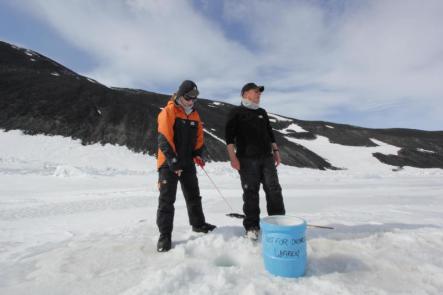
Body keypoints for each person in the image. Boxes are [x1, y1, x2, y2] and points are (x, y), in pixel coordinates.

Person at [156, 80, 216, 252]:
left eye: (194, 99)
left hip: (187, 162)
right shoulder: (168, 112)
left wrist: (197, 153)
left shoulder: (194, 115)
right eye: (189, 98)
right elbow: (164, 139)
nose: (191, 102)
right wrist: (173, 162)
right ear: (181, 96)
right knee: (167, 200)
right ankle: (165, 236)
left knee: (193, 196)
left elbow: (199, 138)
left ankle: (198, 224)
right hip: (168, 163)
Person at [225, 82, 286, 240]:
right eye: (256, 91)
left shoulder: (262, 112)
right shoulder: (236, 112)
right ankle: (252, 226)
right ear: (245, 94)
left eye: (260, 92)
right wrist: (233, 157)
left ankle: (278, 223)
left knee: (274, 189)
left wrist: (276, 151)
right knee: (251, 192)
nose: (259, 94)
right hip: (246, 159)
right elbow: (229, 138)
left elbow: (270, 133)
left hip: (266, 157)